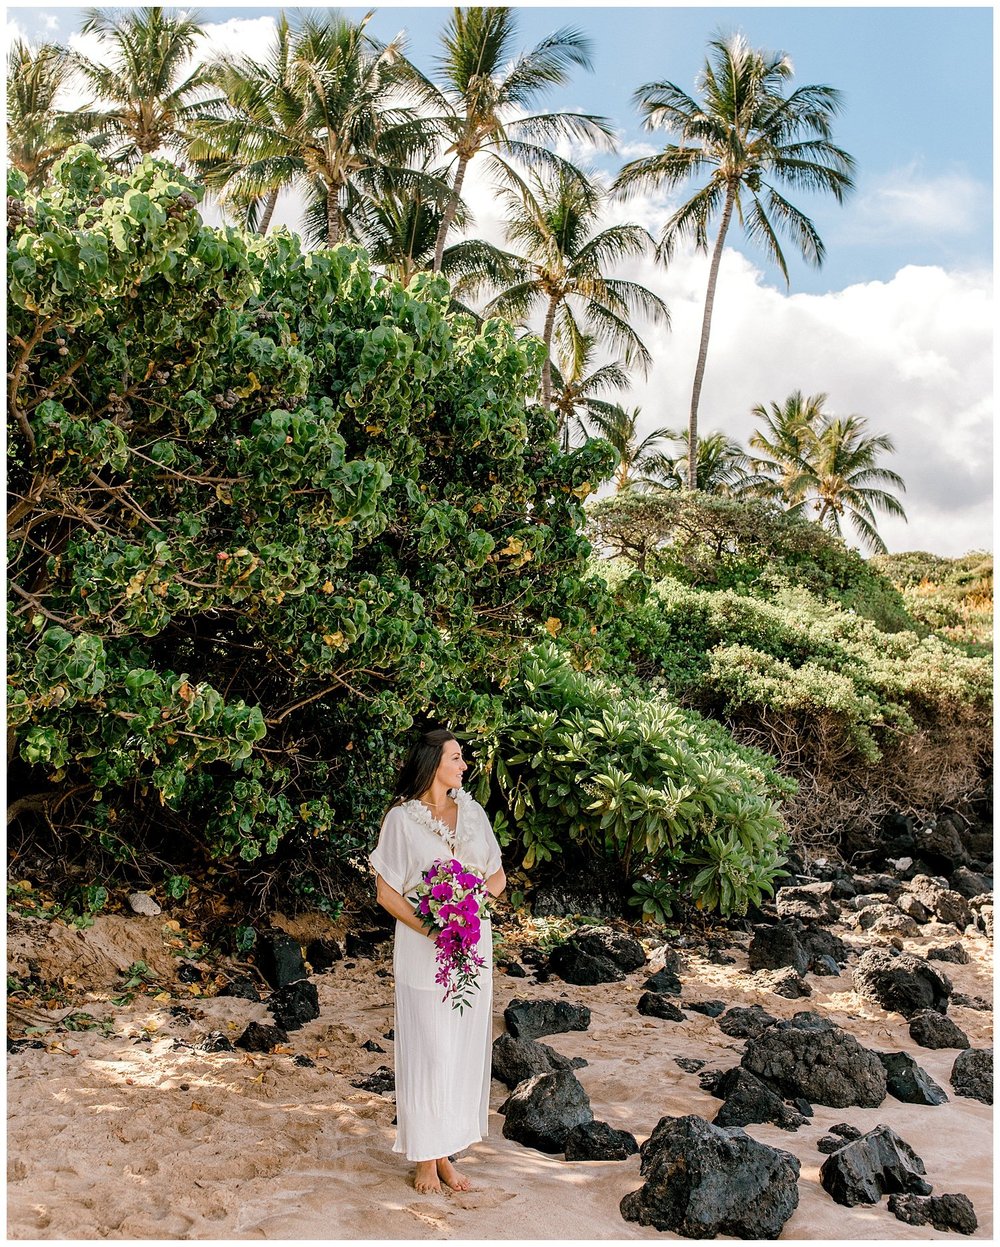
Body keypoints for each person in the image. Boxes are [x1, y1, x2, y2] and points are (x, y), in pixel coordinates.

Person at [370, 728, 506, 1195]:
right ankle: (425, 1160)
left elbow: (498, 876)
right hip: (422, 946)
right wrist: (430, 925)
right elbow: (386, 892)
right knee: (428, 1047)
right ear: (432, 763)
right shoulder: (401, 821)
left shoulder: (473, 814)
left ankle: (445, 1154)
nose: (463, 765)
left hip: (471, 945)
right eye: (456, 757)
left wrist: (470, 904)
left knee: (460, 1048)